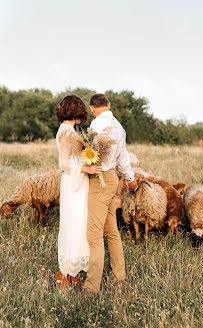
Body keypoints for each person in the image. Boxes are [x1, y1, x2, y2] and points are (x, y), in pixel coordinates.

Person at [83, 93, 138, 293]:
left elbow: (89, 155)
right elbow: (123, 157)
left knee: (94, 234)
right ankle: (118, 277)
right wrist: (130, 178)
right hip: (113, 178)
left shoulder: (96, 126)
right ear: (109, 105)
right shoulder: (119, 126)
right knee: (111, 231)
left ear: (92, 108)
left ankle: (91, 286)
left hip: (99, 179)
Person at [55, 95, 102, 288]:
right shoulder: (66, 132)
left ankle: (72, 272)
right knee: (73, 226)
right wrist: (86, 168)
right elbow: (64, 164)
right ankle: (63, 273)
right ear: (76, 110)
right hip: (73, 183)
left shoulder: (70, 130)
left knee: (79, 225)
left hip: (78, 182)